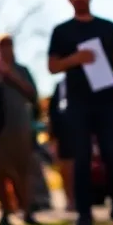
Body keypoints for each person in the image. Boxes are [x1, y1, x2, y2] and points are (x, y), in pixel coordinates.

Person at [47, 0, 113, 225]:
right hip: (78, 104)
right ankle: (84, 218)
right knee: (81, 161)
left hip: (107, 101)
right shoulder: (62, 31)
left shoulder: (107, 27)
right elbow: (52, 66)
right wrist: (75, 59)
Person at [0, 34, 39, 225]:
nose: (5, 49)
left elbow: (32, 94)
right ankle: (5, 211)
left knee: (23, 170)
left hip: (20, 126)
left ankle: (27, 211)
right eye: (1, 46)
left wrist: (11, 75)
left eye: (8, 45)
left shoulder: (22, 70)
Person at [47, 81, 75, 213]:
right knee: (65, 167)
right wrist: (52, 136)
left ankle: (79, 199)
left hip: (82, 131)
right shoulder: (60, 86)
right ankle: (70, 200)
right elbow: (52, 112)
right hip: (63, 132)